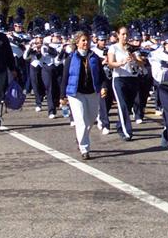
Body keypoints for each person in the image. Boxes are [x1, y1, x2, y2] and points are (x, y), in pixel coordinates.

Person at [60, 31, 108, 160]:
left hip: (92, 92)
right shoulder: (71, 58)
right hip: (76, 94)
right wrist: (62, 96)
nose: (86, 43)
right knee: (81, 120)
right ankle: (84, 148)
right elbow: (64, 78)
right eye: (83, 40)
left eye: (87, 40)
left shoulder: (94, 57)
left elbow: (101, 75)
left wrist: (103, 86)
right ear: (77, 42)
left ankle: (80, 137)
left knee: (90, 120)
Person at [107, 26, 144, 140]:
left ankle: (119, 125)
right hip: (119, 79)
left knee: (128, 107)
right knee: (122, 105)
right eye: (122, 34)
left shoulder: (132, 48)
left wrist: (134, 58)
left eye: (127, 34)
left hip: (132, 78)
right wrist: (121, 63)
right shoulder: (113, 48)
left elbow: (141, 63)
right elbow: (110, 63)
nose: (125, 36)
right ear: (118, 35)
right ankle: (127, 132)